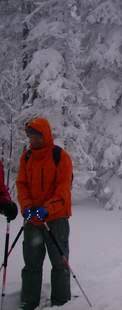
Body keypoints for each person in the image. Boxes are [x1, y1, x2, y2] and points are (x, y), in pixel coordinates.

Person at [16, 118, 73, 310]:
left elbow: (63, 188)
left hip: (56, 218)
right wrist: (26, 207)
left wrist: (47, 208)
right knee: (31, 262)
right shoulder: (26, 157)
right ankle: (28, 301)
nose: (32, 139)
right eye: (30, 135)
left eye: (35, 135)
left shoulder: (60, 156)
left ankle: (61, 301)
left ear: (44, 135)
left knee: (59, 262)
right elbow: (21, 184)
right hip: (33, 218)